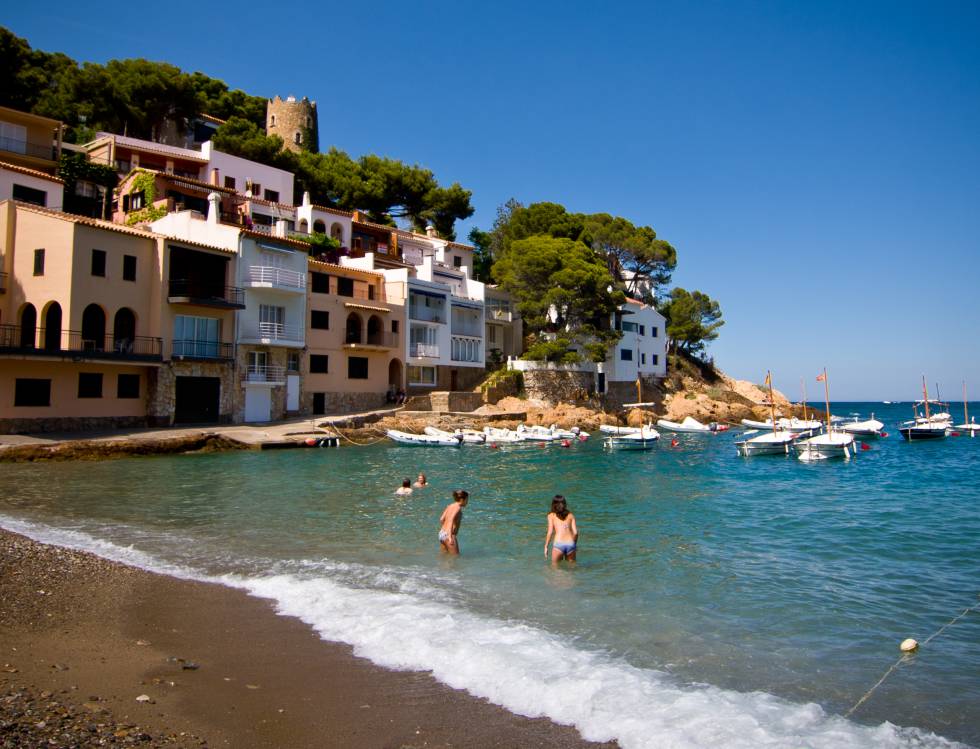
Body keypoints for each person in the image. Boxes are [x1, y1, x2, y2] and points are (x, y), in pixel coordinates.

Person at [545, 495, 578, 563]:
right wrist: (574, 545)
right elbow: (575, 533)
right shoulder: (571, 515)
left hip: (559, 544)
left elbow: (550, 532)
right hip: (570, 544)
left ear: (554, 504)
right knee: (572, 569)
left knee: (555, 570)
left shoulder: (551, 515)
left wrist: (546, 546)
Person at [438, 489, 469, 554]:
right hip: (449, 535)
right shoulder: (458, 507)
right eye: (467, 500)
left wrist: (445, 529)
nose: (467, 502)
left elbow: (441, 519)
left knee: (445, 556)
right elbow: (451, 520)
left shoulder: (450, 506)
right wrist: (449, 536)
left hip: (442, 533)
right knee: (454, 558)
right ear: (462, 499)